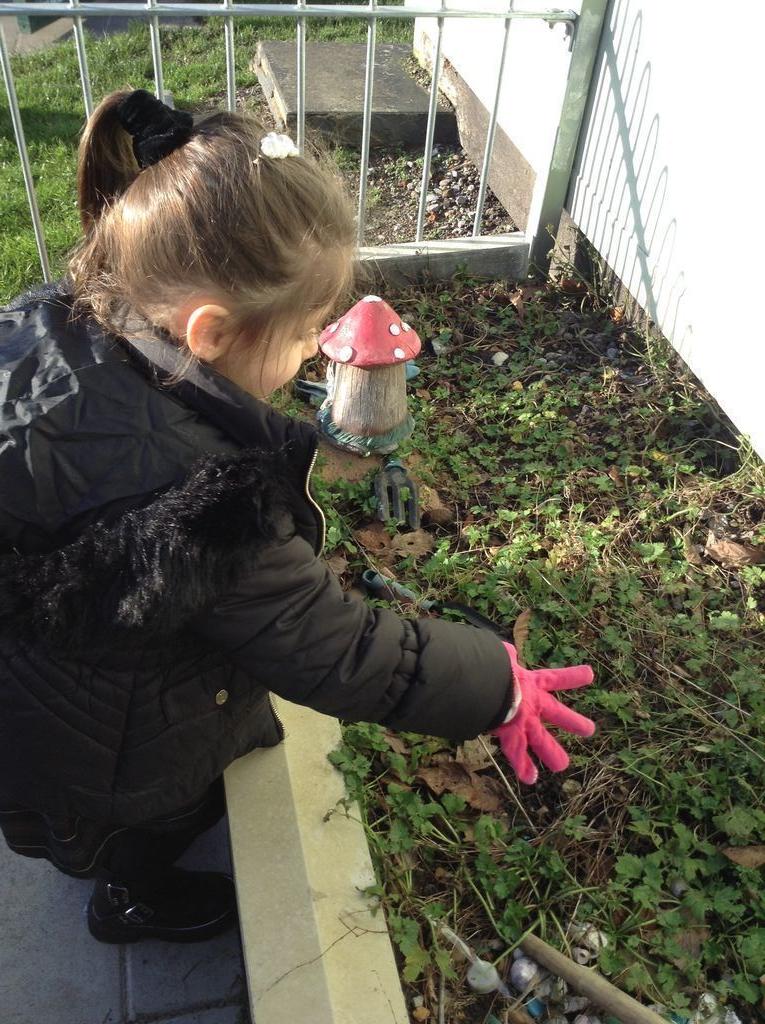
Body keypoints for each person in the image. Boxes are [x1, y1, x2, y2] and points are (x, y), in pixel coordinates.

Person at [0, 90, 596, 945]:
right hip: (101, 742)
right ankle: (130, 900)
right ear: (208, 333)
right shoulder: (201, 507)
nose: (316, 347)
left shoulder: (51, 322)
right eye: (306, 331)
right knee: (159, 818)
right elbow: (339, 649)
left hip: (34, 678)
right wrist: (495, 684)